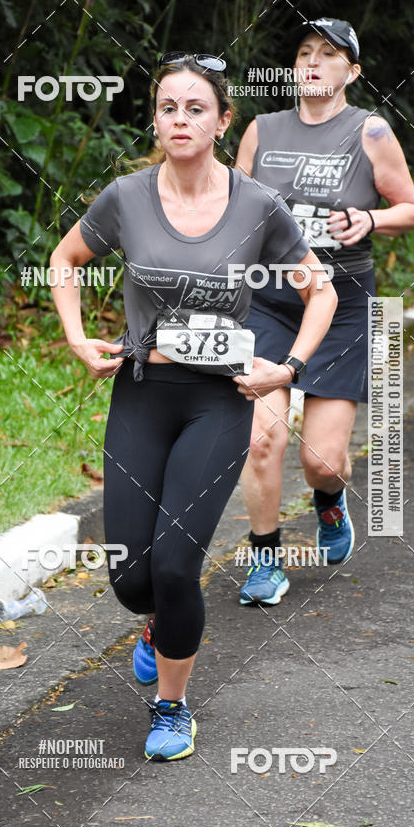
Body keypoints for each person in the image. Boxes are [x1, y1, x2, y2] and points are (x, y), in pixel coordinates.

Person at [50, 52, 337, 760]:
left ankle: (172, 706)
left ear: (222, 120)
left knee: (177, 566)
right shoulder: (125, 196)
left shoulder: (255, 206)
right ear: (155, 118)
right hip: (143, 392)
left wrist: (288, 369)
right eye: (169, 107)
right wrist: (79, 338)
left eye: (196, 108)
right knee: (131, 576)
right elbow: (65, 261)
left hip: (219, 401)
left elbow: (320, 290)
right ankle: (154, 623)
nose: (180, 119)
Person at [235, 18, 414, 606]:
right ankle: (266, 558)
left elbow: (412, 209)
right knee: (263, 438)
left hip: (340, 308)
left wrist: (370, 219)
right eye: (304, 52)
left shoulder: (369, 132)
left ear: (353, 71)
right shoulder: (260, 131)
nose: (313, 61)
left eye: (329, 53)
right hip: (269, 303)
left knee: (323, 459)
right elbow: (233, 214)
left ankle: (329, 502)